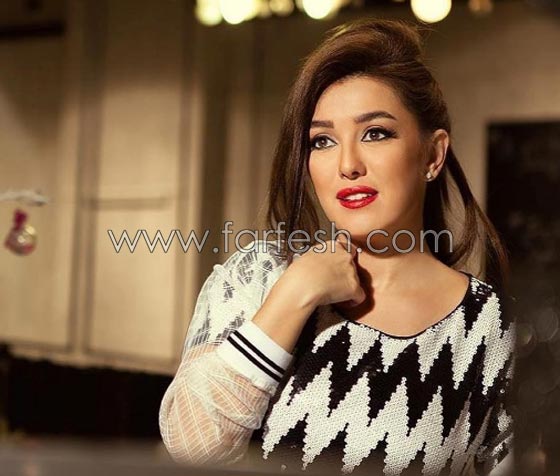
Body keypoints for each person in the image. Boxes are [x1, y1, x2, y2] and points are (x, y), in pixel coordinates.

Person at [159, 18, 517, 476]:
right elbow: (191, 449)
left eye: (375, 133)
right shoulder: (260, 275)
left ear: (432, 155)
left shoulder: (490, 328)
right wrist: (296, 293)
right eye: (323, 141)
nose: (348, 164)